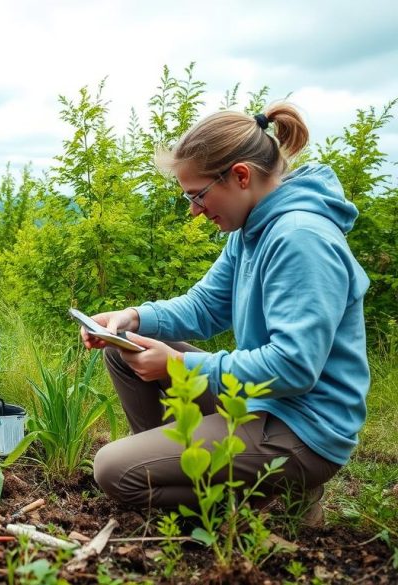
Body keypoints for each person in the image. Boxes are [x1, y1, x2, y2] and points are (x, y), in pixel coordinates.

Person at [87, 104, 370, 524]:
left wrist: (182, 365)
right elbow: (204, 307)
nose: (194, 210)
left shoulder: (300, 239)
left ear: (240, 176)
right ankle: (179, 463)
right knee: (122, 351)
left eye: (197, 195)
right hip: (265, 402)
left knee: (115, 471)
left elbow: (294, 367)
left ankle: (250, 503)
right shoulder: (252, 228)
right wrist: (130, 319)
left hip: (304, 427)